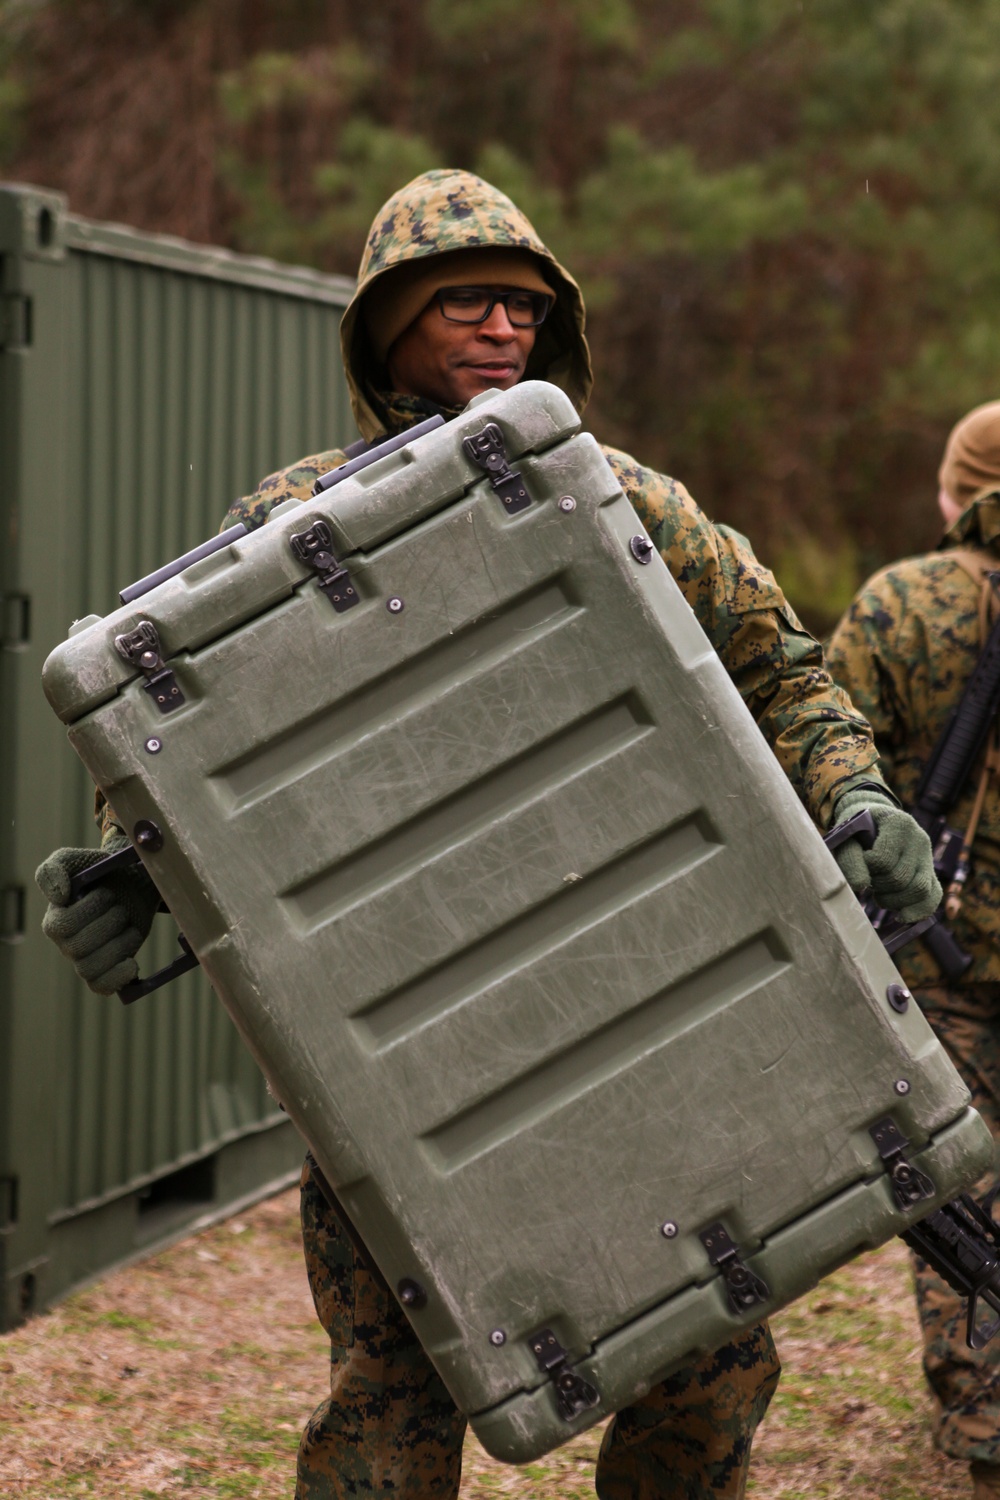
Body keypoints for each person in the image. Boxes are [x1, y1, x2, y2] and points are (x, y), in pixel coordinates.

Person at [37, 169, 941, 1500]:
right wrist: (128, 867)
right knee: (392, 1391)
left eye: (522, 305)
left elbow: (781, 668)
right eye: (462, 299)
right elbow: (183, 742)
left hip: (646, 1002)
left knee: (710, 1362)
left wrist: (855, 793)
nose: (500, 326)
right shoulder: (288, 531)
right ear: (386, 328)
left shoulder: (623, 498)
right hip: (411, 1055)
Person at [827, 400, 1000, 1500]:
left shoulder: (902, 599)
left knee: (956, 1175)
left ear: (955, 494)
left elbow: (823, 757)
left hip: (943, 956)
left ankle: (981, 1413)